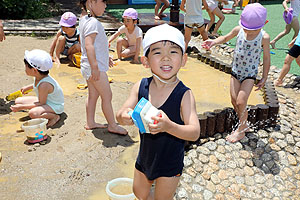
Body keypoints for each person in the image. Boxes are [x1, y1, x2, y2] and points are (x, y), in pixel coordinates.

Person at [116, 24, 200, 199]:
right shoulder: (141, 86)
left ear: (184, 59)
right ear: (145, 61)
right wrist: (125, 116)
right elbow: (121, 113)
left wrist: (168, 126)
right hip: (145, 157)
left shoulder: (184, 94)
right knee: (139, 193)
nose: (166, 58)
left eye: (173, 52)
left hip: (170, 164)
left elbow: (194, 133)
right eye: (157, 52)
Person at [202, 3, 270, 143]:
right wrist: (213, 42)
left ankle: (241, 130)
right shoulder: (238, 29)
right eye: (247, 29)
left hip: (249, 75)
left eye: (252, 30)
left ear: (265, 24)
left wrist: (264, 77)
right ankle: (243, 122)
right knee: (234, 100)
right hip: (235, 71)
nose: (248, 32)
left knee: (241, 101)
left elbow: (266, 57)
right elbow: (225, 38)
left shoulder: (264, 37)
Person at [79, 0, 127, 135]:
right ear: (91, 2)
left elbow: (89, 44)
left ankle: (90, 122)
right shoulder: (93, 22)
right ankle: (112, 125)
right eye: (103, 2)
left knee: (93, 95)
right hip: (95, 68)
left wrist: (106, 58)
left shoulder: (83, 19)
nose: (105, 5)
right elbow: (89, 45)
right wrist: (95, 67)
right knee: (107, 95)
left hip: (88, 65)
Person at [10, 49, 64, 127]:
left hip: (54, 105)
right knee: (18, 101)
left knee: (33, 113)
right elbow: (36, 84)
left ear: (34, 70)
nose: (25, 68)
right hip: (46, 101)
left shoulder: (44, 85)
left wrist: (22, 107)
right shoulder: (40, 76)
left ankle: (54, 116)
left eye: (26, 66)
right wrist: (28, 87)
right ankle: (42, 111)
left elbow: (41, 103)